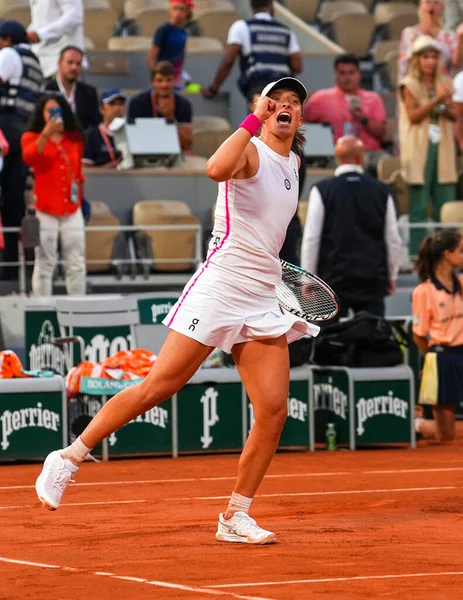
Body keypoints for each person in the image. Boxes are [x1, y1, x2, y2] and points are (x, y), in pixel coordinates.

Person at [35, 77, 319, 544]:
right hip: (220, 286)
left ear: (302, 117)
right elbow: (214, 168)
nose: (285, 107)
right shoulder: (248, 148)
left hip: (261, 296)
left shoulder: (293, 161)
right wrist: (254, 121)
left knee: (273, 411)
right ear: (260, 108)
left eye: (293, 104)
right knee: (159, 386)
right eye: (277, 101)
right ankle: (68, 457)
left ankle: (234, 516)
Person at [301, 136, 402, 319]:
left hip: (332, 277)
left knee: (329, 339)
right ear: (360, 157)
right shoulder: (381, 190)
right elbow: (392, 238)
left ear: (337, 157)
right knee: (372, 335)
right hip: (372, 276)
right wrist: (392, 276)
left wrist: (309, 279)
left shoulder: (322, 189)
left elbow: (311, 239)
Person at [21, 92, 86, 296]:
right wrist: (46, 134)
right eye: (49, 110)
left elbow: (78, 173)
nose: (53, 114)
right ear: (41, 113)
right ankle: (42, 312)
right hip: (46, 209)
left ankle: (78, 311)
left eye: (56, 110)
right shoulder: (31, 137)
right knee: (44, 264)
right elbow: (29, 158)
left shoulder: (74, 138)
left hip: (72, 208)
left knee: (76, 263)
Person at [398, 35, 457, 256]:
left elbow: (453, 115)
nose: (430, 61)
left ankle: (450, 254)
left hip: (442, 147)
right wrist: (436, 101)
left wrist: (443, 105)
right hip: (419, 149)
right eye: (426, 56)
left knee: (446, 205)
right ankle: (418, 255)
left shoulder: (445, 83)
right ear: (417, 59)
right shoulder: (408, 84)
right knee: (419, 207)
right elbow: (413, 115)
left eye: (434, 56)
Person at [0, 20, 43, 280]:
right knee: (14, 200)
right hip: (24, 134)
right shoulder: (36, 64)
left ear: (6, 39)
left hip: (4, 131)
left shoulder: (8, 54)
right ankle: (12, 267)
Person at [412, 229, 463, 443]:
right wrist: (431, 361)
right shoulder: (423, 292)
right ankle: (418, 425)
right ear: (447, 254)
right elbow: (419, 335)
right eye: (461, 250)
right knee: (446, 437)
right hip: (441, 357)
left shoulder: (461, 284)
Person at [303, 54, 387, 174]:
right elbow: (301, 124)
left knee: (388, 163)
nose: (347, 77)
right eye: (342, 73)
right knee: (350, 167)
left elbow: (381, 134)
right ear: (335, 75)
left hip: (370, 152)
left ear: (359, 74)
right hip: (338, 154)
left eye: (351, 73)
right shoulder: (320, 98)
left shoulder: (373, 98)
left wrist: (364, 120)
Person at [202, 0, 302, 102]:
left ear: (251, 5)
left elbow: (228, 61)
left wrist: (213, 89)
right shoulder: (286, 31)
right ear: (271, 5)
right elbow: (298, 67)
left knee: (258, 117)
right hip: (283, 90)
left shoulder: (241, 27)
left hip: (258, 89)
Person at [128, 61, 193, 151]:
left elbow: (186, 144)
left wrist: (170, 117)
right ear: (152, 82)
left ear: (175, 81)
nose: (164, 85)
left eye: (168, 80)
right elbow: (132, 139)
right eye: (159, 80)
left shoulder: (184, 105)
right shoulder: (137, 103)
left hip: (174, 151)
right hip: (144, 149)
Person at [399, 0, 463, 81]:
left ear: (442, 9)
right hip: (416, 82)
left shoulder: (449, 35)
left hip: (443, 84)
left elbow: (457, 64)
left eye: (436, 3)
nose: (431, 6)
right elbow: (408, 62)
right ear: (421, 7)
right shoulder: (410, 33)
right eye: (428, 2)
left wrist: (460, 38)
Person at [27, 0, 86, 81]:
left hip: (63, 64)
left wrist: (41, 34)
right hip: (41, 63)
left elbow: (74, 16)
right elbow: (40, 22)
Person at [45, 46, 100, 131]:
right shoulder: (46, 91)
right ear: (59, 63)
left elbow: (95, 125)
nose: (74, 67)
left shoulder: (89, 93)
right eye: (70, 63)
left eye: (78, 64)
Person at [147, 0, 189, 86]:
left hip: (176, 72)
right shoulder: (163, 30)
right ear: (170, 10)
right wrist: (155, 76)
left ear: (187, 13)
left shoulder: (184, 32)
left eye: (182, 9)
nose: (178, 12)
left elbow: (181, 53)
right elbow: (151, 57)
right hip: (163, 71)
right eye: (175, 8)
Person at [82, 88, 125, 168]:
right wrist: (110, 167)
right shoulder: (90, 136)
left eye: (120, 104)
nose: (117, 108)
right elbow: (86, 171)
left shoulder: (131, 133)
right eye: (112, 104)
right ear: (102, 109)